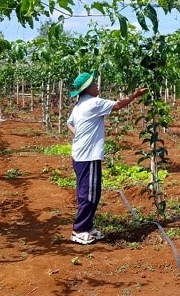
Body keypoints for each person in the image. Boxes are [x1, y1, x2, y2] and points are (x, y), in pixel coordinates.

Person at [66, 72, 148, 245]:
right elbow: (118, 105)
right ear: (87, 88)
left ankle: (87, 227)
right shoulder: (93, 103)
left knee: (89, 193)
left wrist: (79, 136)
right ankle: (79, 230)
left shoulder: (79, 105)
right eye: (94, 84)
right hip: (88, 156)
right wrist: (135, 95)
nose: (97, 86)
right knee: (89, 195)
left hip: (80, 155)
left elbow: (69, 123)